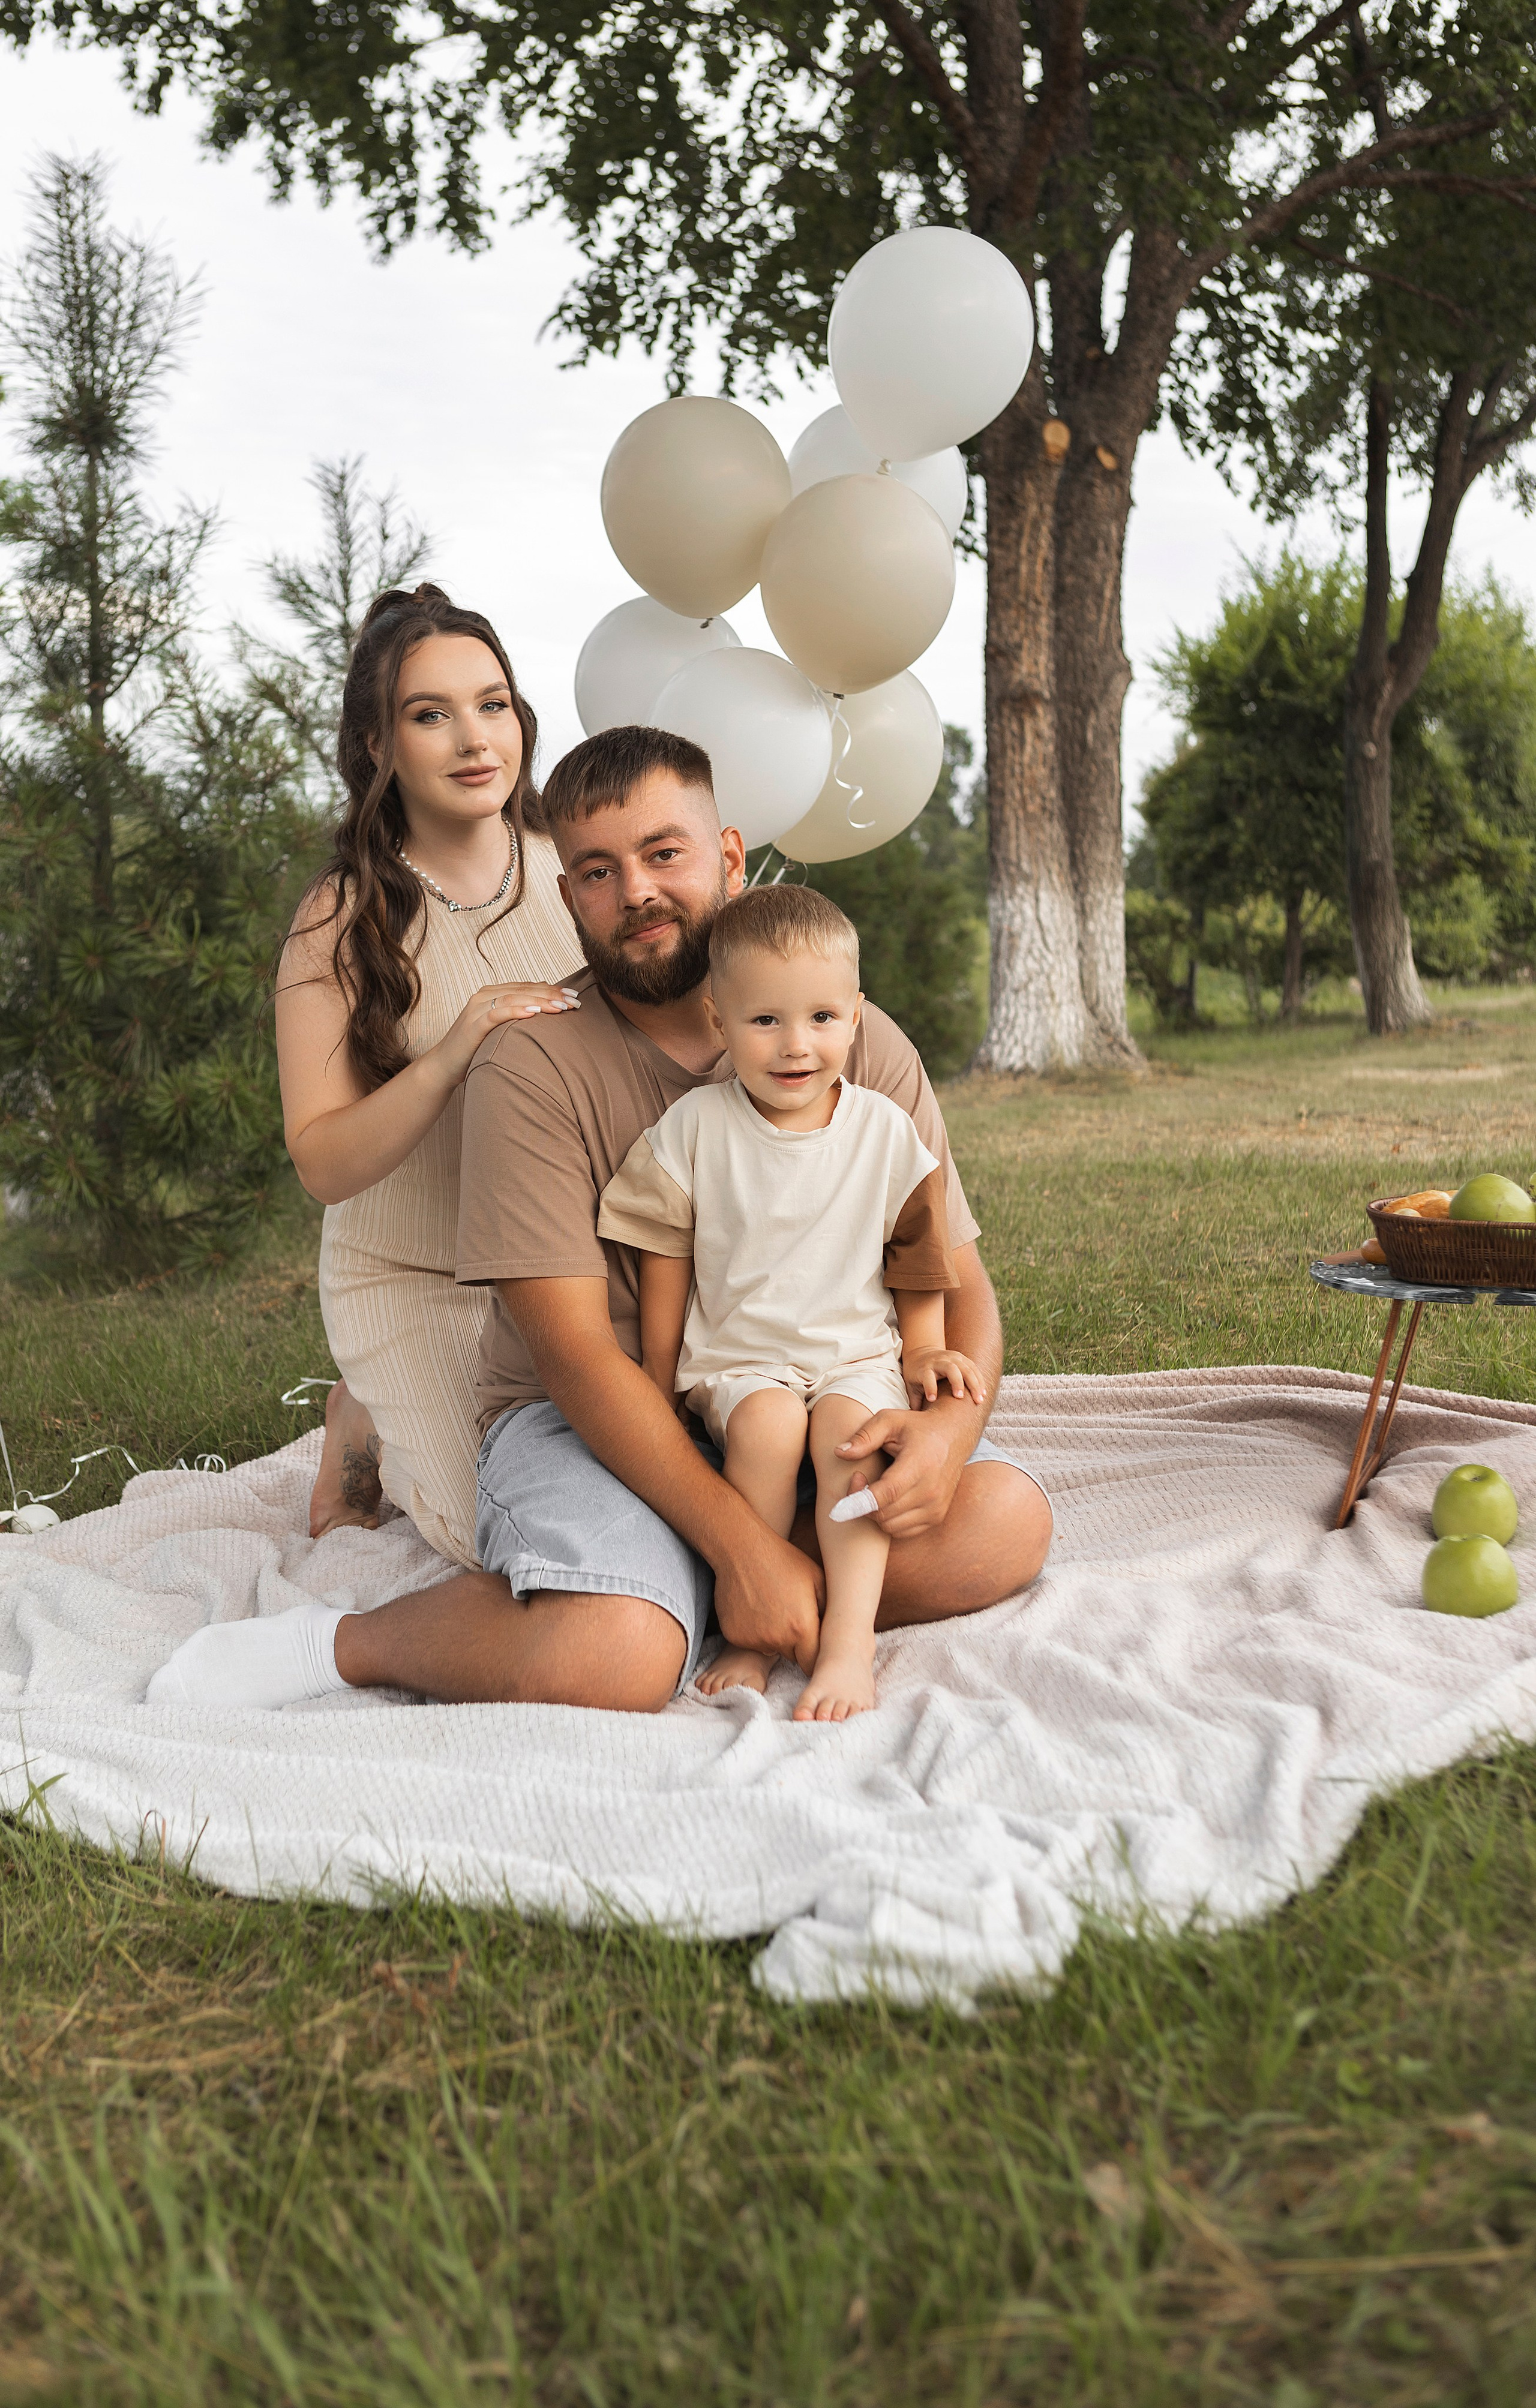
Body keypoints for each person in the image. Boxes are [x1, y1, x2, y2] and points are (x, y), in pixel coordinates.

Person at [148, 724, 1052, 1713]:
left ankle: (696, 1589)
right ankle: (347, 1644)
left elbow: (958, 1282)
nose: (637, 893)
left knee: (1004, 1521)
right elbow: (575, 1357)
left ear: (730, 857)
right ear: (567, 892)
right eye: (595, 871)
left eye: (667, 853)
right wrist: (745, 1544)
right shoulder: (534, 1063)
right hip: (602, 1416)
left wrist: (950, 1436)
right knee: (619, 1654)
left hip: (818, 1392)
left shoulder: (845, 1034)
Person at [599, 882, 988, 1722]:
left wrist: (922, 1350)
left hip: (854, 1353)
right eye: (764, 1021)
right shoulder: (697, 1129)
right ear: (718, 1020)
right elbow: (664, 1258)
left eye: (820, 1018)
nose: (795, 1045)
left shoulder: (885, 1130)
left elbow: (917, 1256)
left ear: (855, 1015)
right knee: (772, 1427)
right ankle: (753, 1624)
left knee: (852, 1438)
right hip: (741, 1360)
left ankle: (848, 1638)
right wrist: (659, 1377)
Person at [275, 583, 583, 1564]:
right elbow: (322, 1161)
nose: (473, 738)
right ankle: (360, 1406)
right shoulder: (341, 919)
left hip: (561, 1269)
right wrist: (452, 1052)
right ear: (378, 746)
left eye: (491, 704)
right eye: (429, 715)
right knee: (494, 1537)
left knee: (632, 1497)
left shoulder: (577, 871)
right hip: (411, 1270)